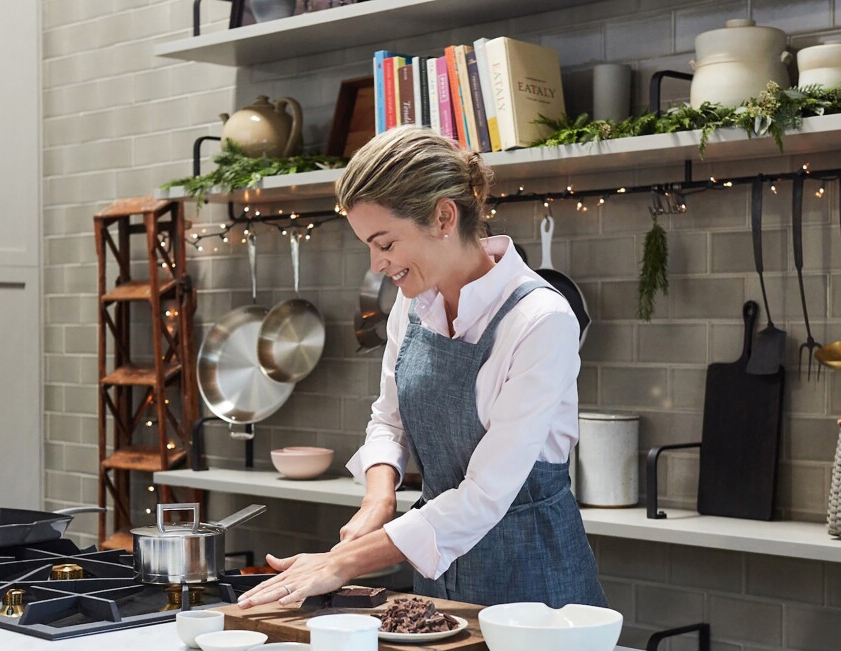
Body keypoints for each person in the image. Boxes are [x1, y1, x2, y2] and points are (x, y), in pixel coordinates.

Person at [238, 126, 606, 610]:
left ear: (443, 217)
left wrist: (341, 563)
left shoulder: (540, 321)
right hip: (440, 582)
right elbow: (388, 421)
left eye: (385, 243)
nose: (377, 263)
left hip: (534, 582)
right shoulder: (411, 307)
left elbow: (484, 496)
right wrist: (378, 499)